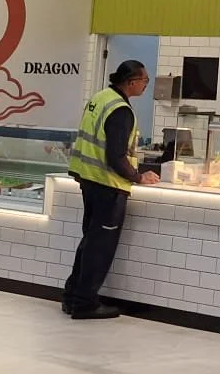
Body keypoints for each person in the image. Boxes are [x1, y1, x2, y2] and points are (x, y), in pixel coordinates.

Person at [62, 60, 159, 320]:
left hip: (88, 179)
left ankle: (72, 296)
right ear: (131, 82)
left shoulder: (101, 98)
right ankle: (85, 303)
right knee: (99, 247)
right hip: (108, 185)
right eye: (145, 81)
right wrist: (138, 177)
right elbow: (116, 156)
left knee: (89, 241)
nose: (146, 85)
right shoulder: (121, 110)